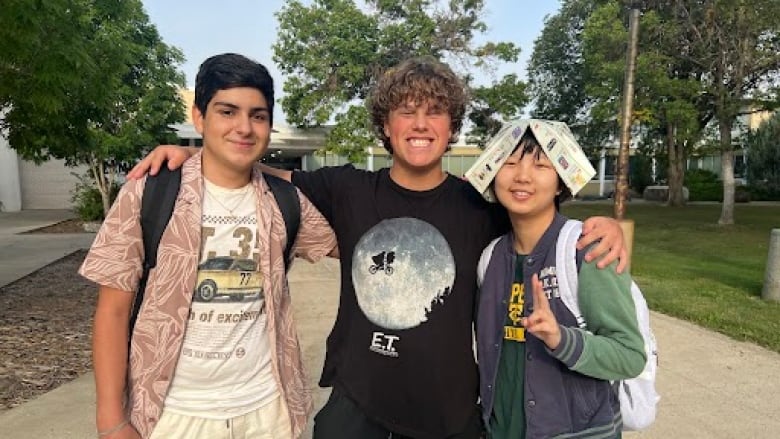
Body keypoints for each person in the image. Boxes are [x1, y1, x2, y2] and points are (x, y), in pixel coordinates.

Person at [128, 56, 627, 439]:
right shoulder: (346, 189)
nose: (420, 124)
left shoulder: (478, 204)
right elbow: (258, 171)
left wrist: (608, 225)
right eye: (406, 112)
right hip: (357, 405)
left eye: (435, 113)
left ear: (451, 128)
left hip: (448, 412)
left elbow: (537, 211)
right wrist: (189, 157)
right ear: (385, 126)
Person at [80, 53, 337, 439]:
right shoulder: (148, 192)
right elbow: (112, 313)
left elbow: (354, 244)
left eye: (258, 115)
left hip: (267, 411)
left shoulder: (285, 202)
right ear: (200, 118)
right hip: (172, 416)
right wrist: (111, 420)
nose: (244, 127)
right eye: (227, 112)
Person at [475, 127, 646, 438]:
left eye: (541, 165)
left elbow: (630, 356)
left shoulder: (588, 249)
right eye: (510, 163)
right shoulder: (490, 257)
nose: (522, 176)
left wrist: (560, 339)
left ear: (560, 183)